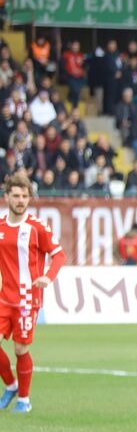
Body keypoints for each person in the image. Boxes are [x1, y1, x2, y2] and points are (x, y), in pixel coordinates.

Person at [0, 173, 65, 414]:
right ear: (7, 197)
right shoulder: (1, 227)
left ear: (29, 198)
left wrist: (48, 276)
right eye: (16, 196)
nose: (20, 200)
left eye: (24, 196)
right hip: (4, 298)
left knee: (20, 350)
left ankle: (24, 400)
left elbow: (59, 255)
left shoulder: (37, 227)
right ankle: (11, 384)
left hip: (28, 299)